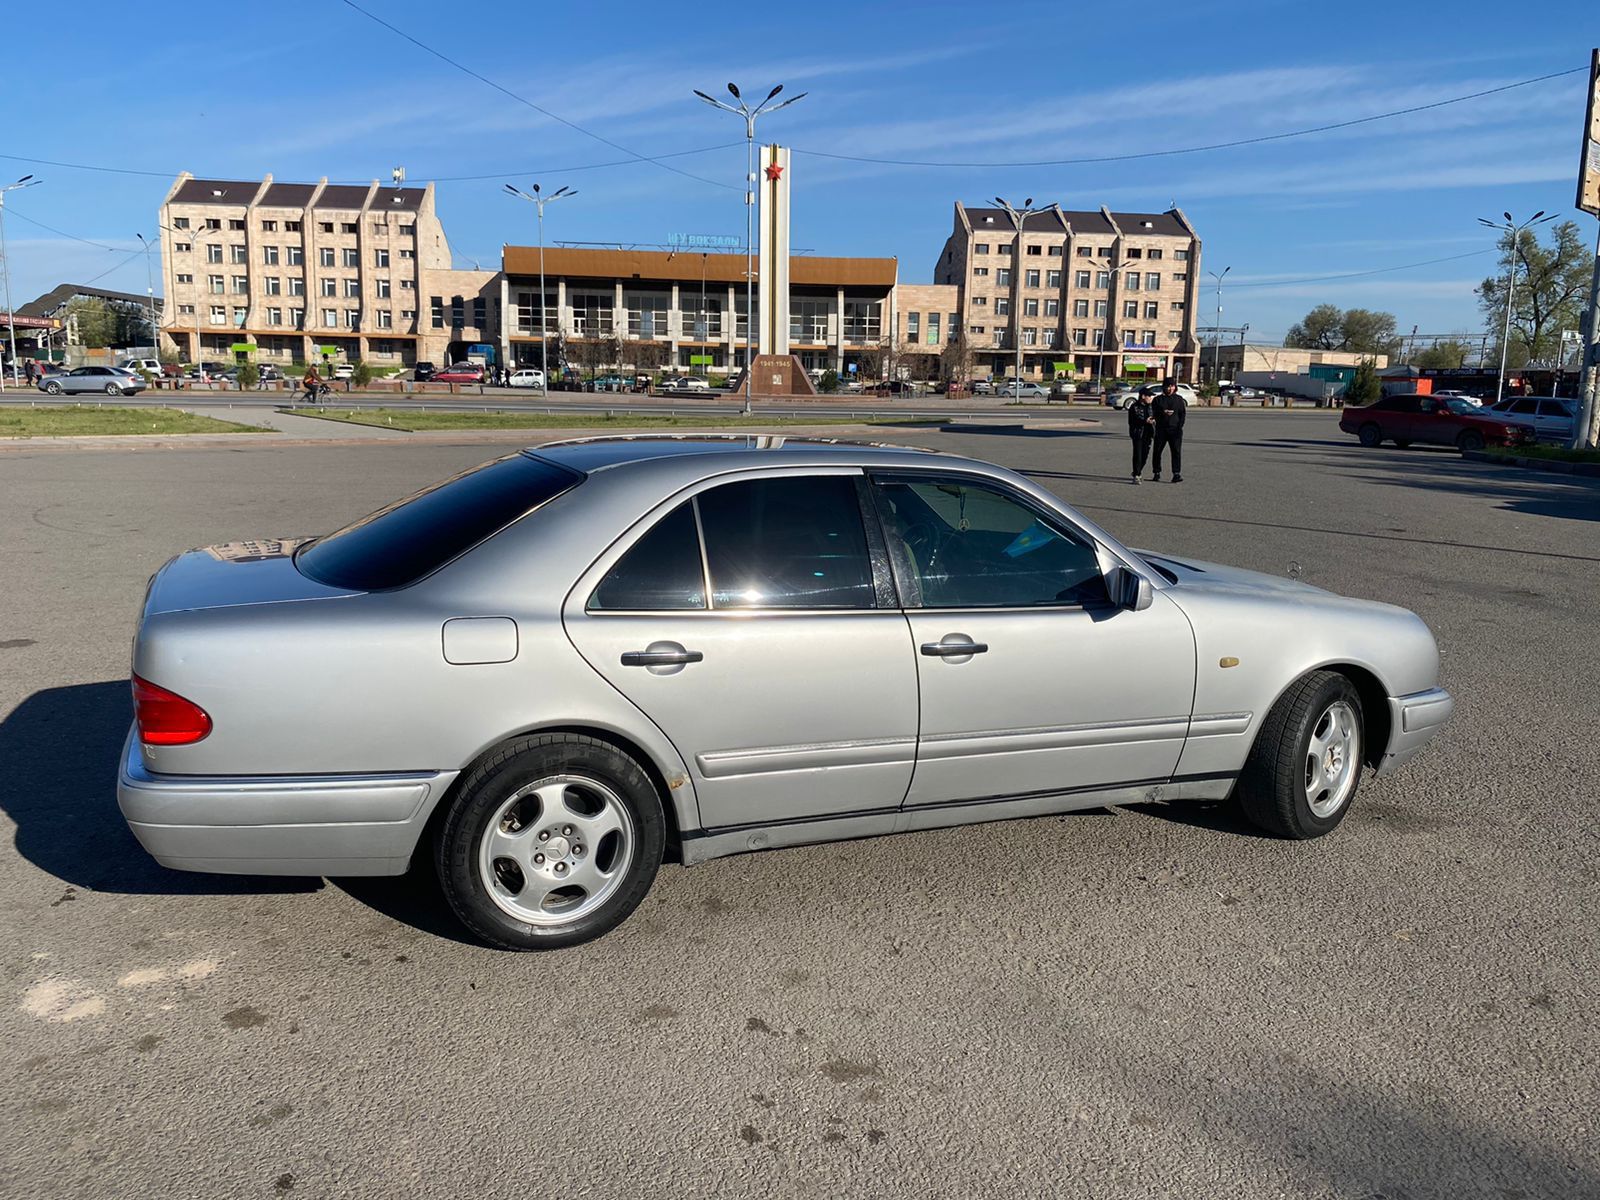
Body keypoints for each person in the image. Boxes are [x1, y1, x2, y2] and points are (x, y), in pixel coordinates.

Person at [1151, 378, 1186, 483]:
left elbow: (1182, 414)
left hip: (1175, 430)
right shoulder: (1158, 400)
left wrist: (1179, 427)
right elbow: (1154, 413)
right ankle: (1156, 472)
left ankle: (1176, 474)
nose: (1170, 388)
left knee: (1176, 451)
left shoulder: (1179, 399)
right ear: (1164, 387)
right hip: (1161, 429)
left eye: (1172, 386)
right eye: (1168, 386)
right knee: (1157, 451)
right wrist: (1163, 412)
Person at [1127, 390, 1154, 484]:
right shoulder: (1134, 407)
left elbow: (1155, 416)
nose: (1151, 398)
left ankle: (1136, 471)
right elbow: (1132, 422)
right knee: (1138, 455)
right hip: (1138, 434)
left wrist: (1154, 421)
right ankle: (1137, 475)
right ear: (1143, 396)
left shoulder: (1151, 406)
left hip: (1149, 433)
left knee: (1145, 455)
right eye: (1149, 396)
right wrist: (1144, 421)